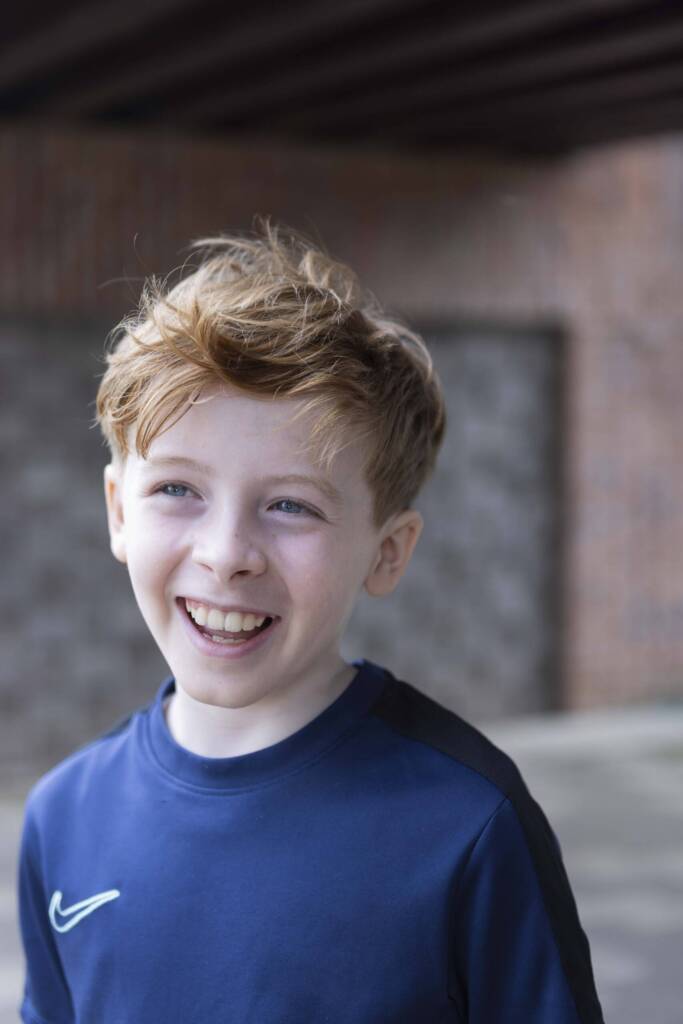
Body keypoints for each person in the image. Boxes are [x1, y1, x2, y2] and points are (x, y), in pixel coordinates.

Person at [17, 221, 604, 1023]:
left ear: (386, 553)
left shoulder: (469, 823)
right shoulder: (64, 817)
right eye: (177, 490)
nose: (227, 555)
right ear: (119, 511)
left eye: (290, 505)